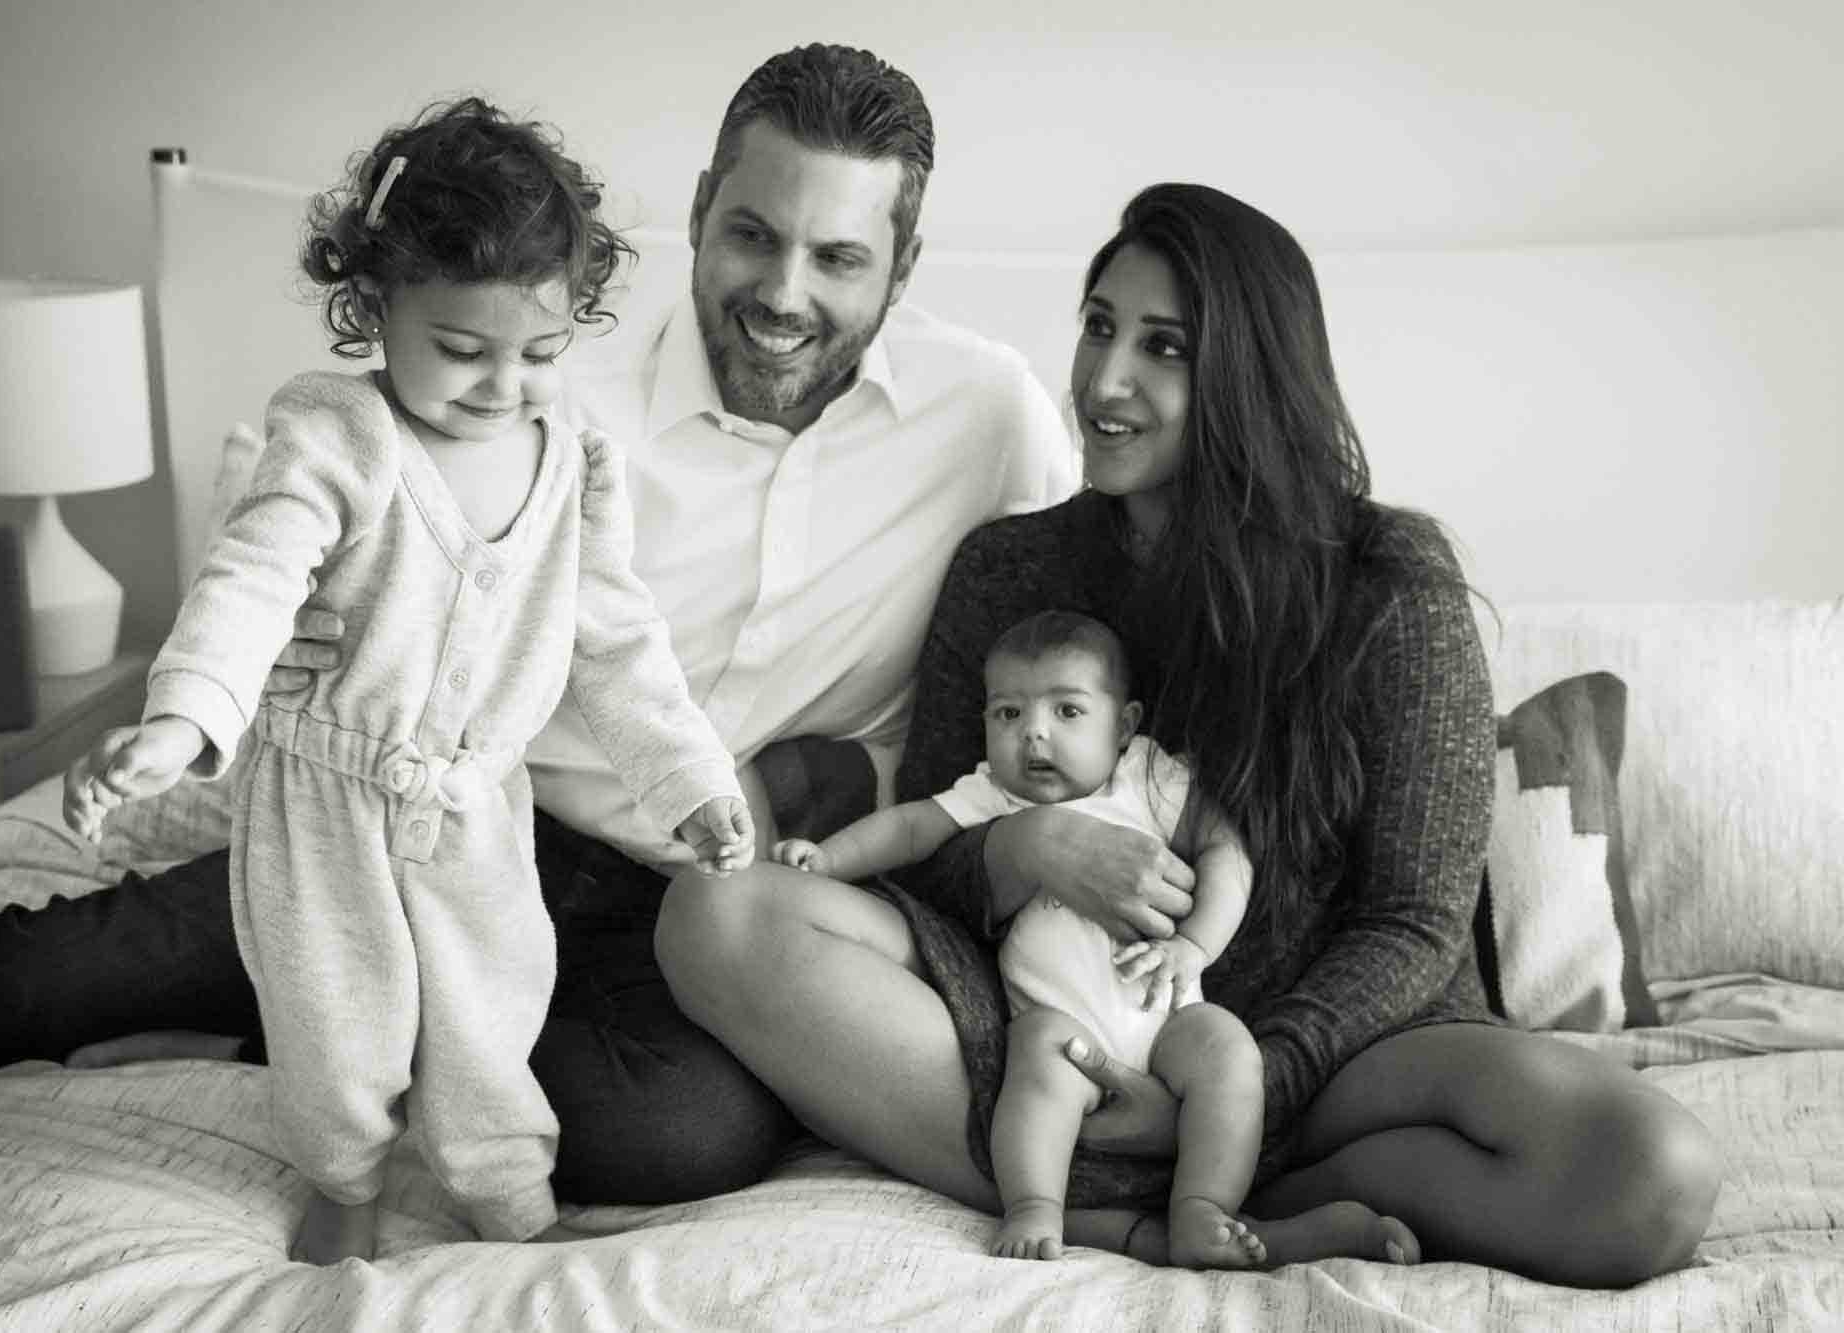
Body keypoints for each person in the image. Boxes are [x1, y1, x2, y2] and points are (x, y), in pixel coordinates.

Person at [0, 44, 1078, 1218]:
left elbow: (1069, 638)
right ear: (700, 207)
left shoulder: (989, 420)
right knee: (33, 977)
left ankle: (327, 1036)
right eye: (752, 233)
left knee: (678, 1136)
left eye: (839, 258)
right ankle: (321, 1010)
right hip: (432, 817)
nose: (781, 294)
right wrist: (270, 651)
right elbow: (292, 516)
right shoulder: (536, 383)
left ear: (902, 267)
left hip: (691, 906)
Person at [657, 183, 1725, 1284]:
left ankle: (1220, 1186)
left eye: (1162, 347)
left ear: (1251, 378)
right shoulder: (1007, 571)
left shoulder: (1387, 583)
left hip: (1342, 1051)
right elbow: (928, 861)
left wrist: (1239, 1087)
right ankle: (1142, 1218)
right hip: (1058, 1028)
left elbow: (1412, 922)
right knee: (712, 913)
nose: (1105, 379)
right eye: (1098, 326)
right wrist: (1020, 853)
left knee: (1653, 1173)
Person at [59, 97, 755, 1263]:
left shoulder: (573, 463)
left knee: (493, 1016)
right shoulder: (337, 435)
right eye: (462, 352)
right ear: (376, 307)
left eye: (538, 353)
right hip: (324, 803)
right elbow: (254, 572)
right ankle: (344, 1185)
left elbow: (619, 643)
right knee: (340, 1025)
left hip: (479, 806)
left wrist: (687, 778)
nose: (501, 388)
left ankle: (507, 1195)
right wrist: (180, 719)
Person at [773, 608, 1415, 1268]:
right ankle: (1034, 1203)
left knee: (1230, 1052)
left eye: (1068, 711)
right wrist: (827, 858)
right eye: (1008, 714)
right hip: (1062, 1024)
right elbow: (909, 829)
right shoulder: (996, 794)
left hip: (1167, 1019)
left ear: (1126, 723)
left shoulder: (1147, 778)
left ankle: (1202, 1207)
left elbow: (1228, 852)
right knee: (1038, 1060)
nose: (1034, 735)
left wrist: (1193, 946)